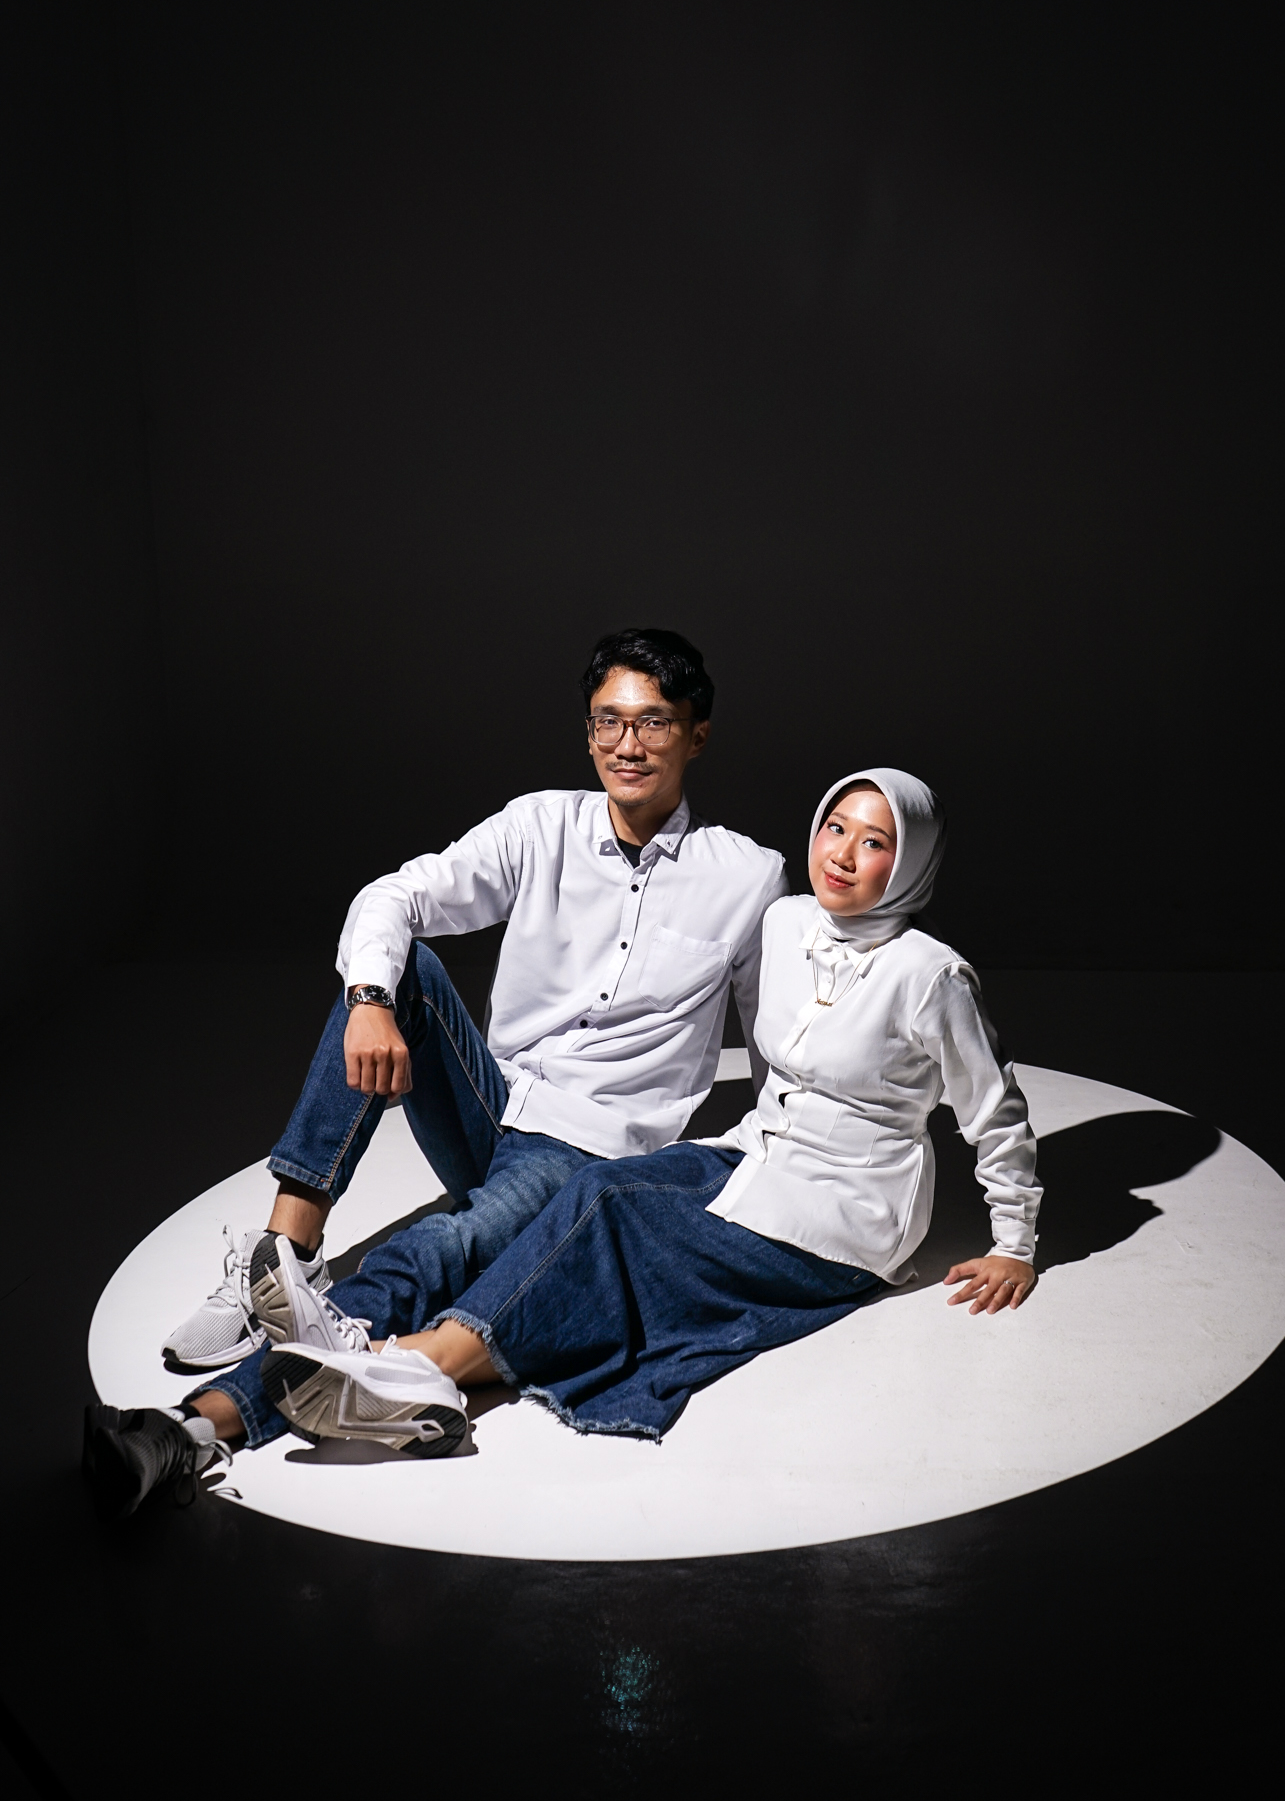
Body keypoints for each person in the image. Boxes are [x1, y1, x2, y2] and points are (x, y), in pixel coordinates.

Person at [83, 628, 785, 1517]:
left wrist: (779, 1189)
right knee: (397, 967)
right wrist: (370, 999)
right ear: (587, 731)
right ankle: (287, 1253)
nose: (627, 744)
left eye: (652, 723)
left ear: (696, 734)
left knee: (437, 1250)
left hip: (586, 1148)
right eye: (607, 721)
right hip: (493, 1104)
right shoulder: (540, 825)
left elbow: (778, 1049)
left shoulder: (747, 877)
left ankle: (188, 1431)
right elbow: (396, 895)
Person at [193, 767, 1041, 1461]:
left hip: (843, 1206)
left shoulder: (928, 973)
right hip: (735, 1152)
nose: (844, 854)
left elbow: (993, 1111)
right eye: (835, 828)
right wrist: (371, 999)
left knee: (575, 1210)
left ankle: (372, 1375)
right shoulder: (784, 922)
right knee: (398, 985)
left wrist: (1014, 1244)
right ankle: (280, 1277)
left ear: (913, 861)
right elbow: (772, 1057)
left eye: (875, 842)